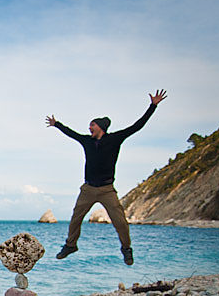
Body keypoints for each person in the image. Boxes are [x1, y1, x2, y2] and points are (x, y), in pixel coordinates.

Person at [46, 89, 167, 265]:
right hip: (88, 189)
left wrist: (152, 106)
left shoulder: (115, 139)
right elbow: (72, 133)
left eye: (92, 125)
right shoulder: (87, 141)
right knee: (76, 218)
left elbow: (137, 126)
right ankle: (70, 245)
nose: (89, 128)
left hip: (106, 189)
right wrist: (57, 124)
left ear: (100, 127)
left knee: (120, 222)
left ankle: (126, 249)